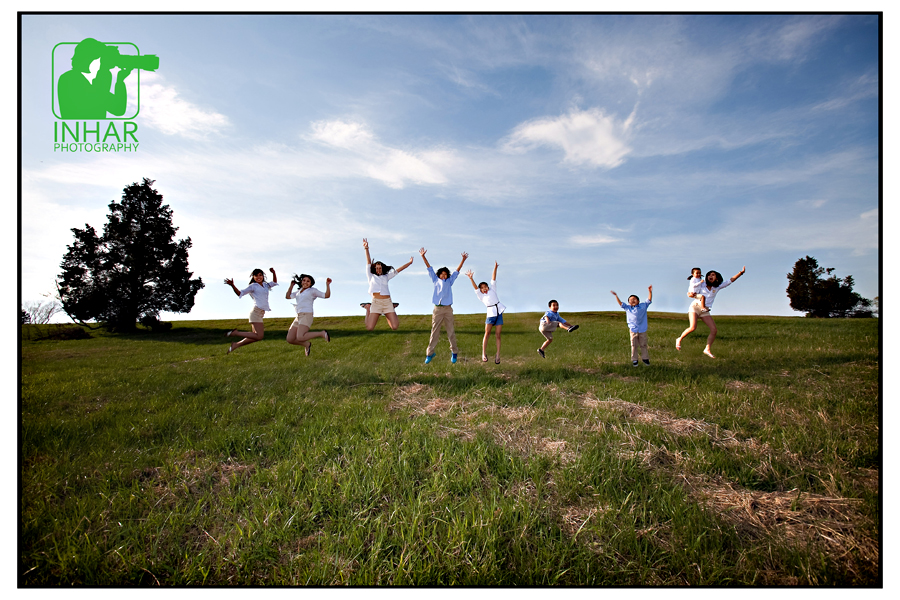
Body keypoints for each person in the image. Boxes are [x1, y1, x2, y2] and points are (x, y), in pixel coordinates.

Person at [676, 266, 746, 358]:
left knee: (714, 330)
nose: (710, 276)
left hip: (705, 310)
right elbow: (692, 289)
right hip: (695, 307)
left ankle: (707, 349)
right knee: (693, 327)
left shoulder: (717, 287)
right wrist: (689, 294)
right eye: (709, 275)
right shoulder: (702, 283)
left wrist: (740, 273)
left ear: (716, 278)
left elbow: (730, 281)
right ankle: (679, 339)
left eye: (713, 275)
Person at [420, 248, 468, 364]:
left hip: (448, 309)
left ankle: (454, 352)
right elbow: (429, 268)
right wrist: (423, 256)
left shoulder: (450, 281)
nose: (444, 276)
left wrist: (463, 260)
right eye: (442, 274)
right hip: (437, 309)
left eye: (445, 274)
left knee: (450, 331)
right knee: (434, 331)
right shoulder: (435, 279)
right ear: (439, 275)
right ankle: (430, 353)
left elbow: (457, 271)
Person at [224, 268, 278, 354]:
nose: (258, 277)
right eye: (256, 275)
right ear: (253, 277)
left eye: (260, 275)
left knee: (255, 336)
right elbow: (240, 293)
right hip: (256, 312)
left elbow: (274, 282)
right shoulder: (253, 286)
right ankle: (236, 333)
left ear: (263, 276)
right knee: (259, 336)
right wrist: (232, 285)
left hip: (260, 313)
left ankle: (236, 345)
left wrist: (273, 272)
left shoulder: (265, 285)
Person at [363, 238, 413, 331]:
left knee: (394, 327)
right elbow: (368, 262)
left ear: (382, 268)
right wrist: (366, 248)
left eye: (380, 268)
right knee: (369, 327)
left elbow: (398, 270)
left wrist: (409, 263)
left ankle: (392, 308)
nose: (378, 270)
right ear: (374, 269)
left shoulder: (386, 276)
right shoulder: (371, 276)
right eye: (377, 268)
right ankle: (368, 308)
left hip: (387, 302)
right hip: (376, 302)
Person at [466, 262, 505, 364]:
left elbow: (493, 279)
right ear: (481, 290)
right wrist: (471, 278)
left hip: (499, 313)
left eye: (485, 286)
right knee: (487, 333)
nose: (484, 289)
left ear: (488, 287)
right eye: (482, 288)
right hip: (490, 314)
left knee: (498, 335)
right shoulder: (481, 296)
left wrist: (495, 267)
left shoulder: (493, 290)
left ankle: (498, 354)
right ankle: (483, 353)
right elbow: (475, 288)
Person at [285, 273, 332, 356]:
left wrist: (327, 285)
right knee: (290, 339)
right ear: (301, 281)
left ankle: (321, 333)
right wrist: (291, 285)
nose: (305, 282)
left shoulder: (312, 291)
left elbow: (326, 295)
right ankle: (306, 344)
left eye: (308, 281)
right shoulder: (298, 292)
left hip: (307, 315)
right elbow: (288, 296)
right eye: (304, 280)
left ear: (311, 283)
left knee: (300, 337)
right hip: (298, 316)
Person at [611, 286, 653, 366]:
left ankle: (645, 359)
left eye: (634, 299)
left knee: (643, 345)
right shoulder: (628, 308)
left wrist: (650, 292)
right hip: (633, 330)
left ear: (638, 301)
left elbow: (649, 300)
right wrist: (616, 295)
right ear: (629, 302)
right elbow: (621, 304)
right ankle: (634, 360)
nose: (632, 301)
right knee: (634, 345)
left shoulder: (643, 306)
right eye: (630, 300)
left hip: (642, 329)